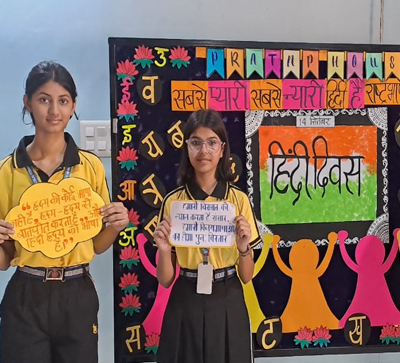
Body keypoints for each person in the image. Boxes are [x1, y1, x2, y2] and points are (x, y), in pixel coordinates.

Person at [0, 61, 129, 363]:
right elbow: (5, 260)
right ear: (27, 102)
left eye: (63, 100)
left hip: (76, 291)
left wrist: (116, 225)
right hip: (26, 294)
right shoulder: (7, 171)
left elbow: (97, 245)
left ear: (73, 106)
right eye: (44, 99)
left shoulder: (90, 166)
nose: (54, 110)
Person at [153, 109, 260, 363]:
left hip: (227, 294)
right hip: (185, 296)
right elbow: (165, 280)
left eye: (212, 143)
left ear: (222, 149)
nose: (204, 151)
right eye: (196, 143)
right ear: (187, 147)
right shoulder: (174, 202)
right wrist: (165, 250)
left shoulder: (238, 200)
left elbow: (247, 277)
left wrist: (243, 248)